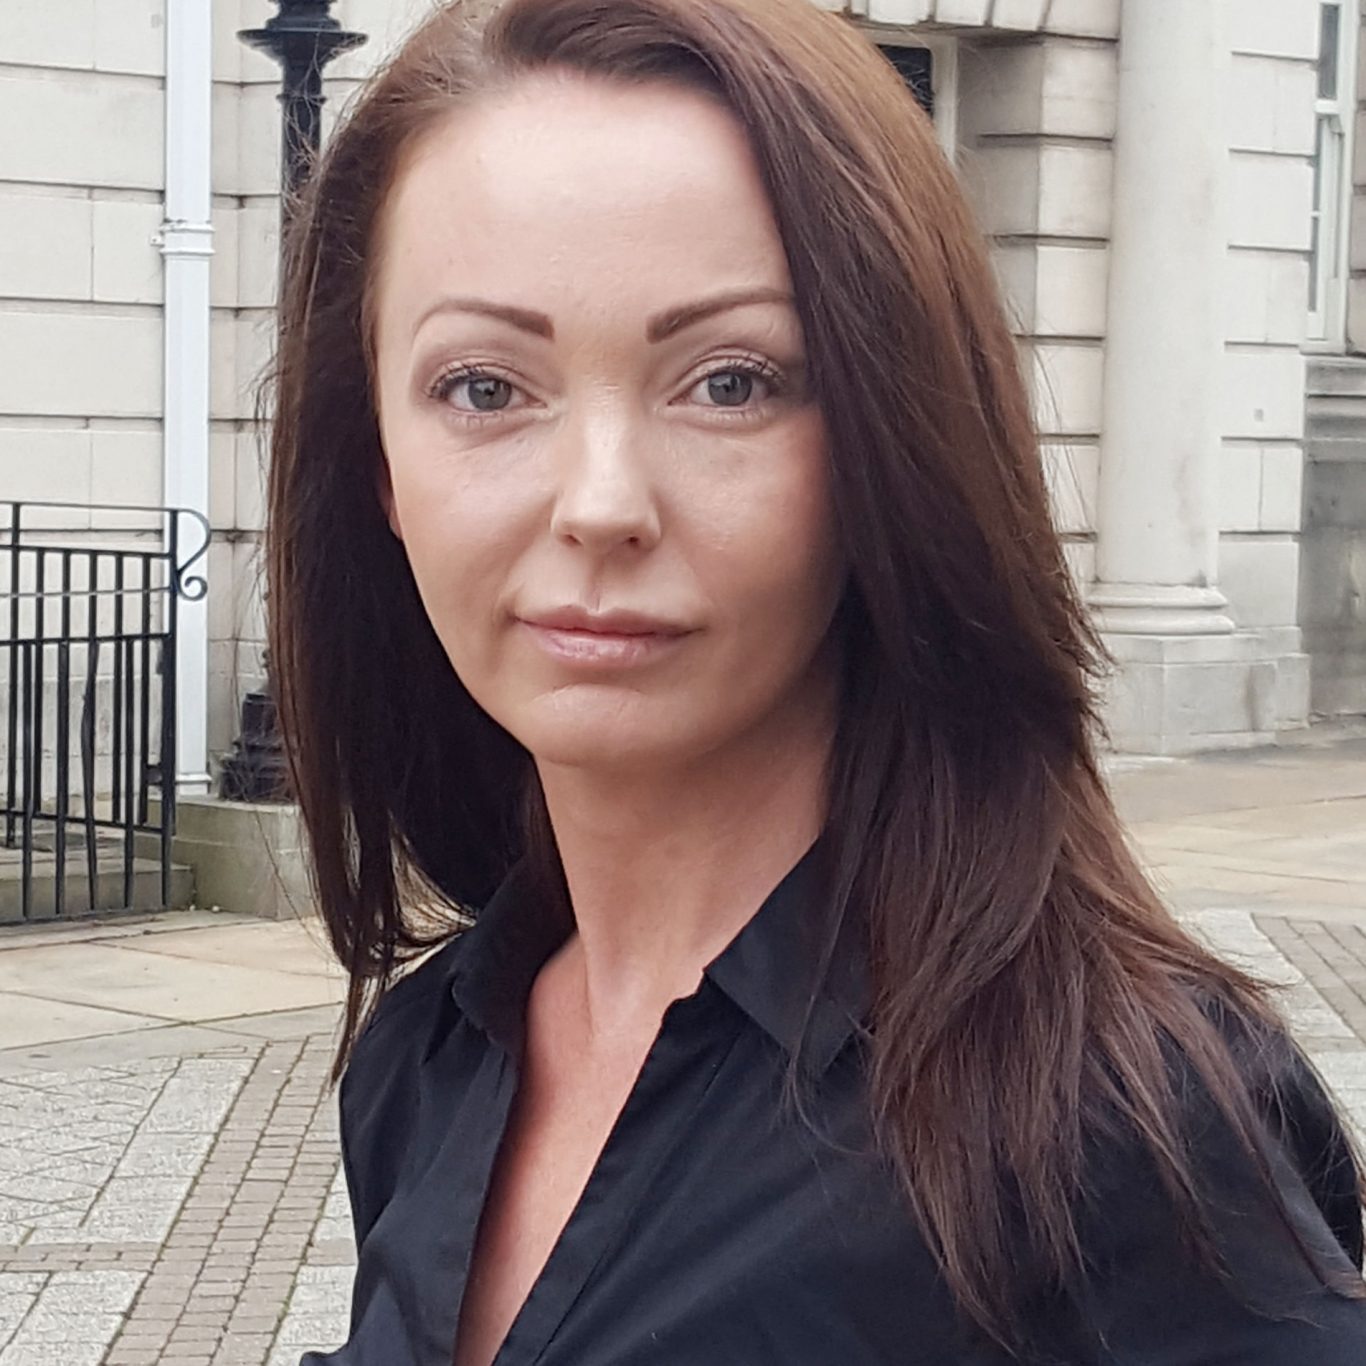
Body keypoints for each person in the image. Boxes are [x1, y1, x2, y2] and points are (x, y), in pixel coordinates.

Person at [266, 0, 1366, 1361]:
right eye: (485, 388)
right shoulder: (427, 1057)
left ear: (884, 439)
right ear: (375, 455)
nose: (599, 503)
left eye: (729, 381)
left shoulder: (1103, 1132)